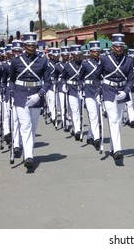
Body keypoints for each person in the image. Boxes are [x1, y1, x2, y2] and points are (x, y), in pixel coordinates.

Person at [9, 30, 51, 169]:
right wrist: (11, 92)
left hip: (36, 96)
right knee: (25, 126)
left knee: (32, 127)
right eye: (29, 45)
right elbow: (12, 80)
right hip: (20, 96)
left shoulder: (42, 60)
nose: (31, 47)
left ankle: (28, 152)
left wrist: (39, 94)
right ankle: (29, 156)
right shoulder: (16, 61)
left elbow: (48, 81)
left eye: (34, 45)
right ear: (24, 46)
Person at [96, 33, 134, 160]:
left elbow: (131, 79)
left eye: (121, 46)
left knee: (118, 121)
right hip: (108, 91)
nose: (119, 48)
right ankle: (118, 149)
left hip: (122, 91)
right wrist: (97, 91)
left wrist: (127, 91)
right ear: (113, 46)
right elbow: (97, 76)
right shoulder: (104, 58)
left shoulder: (128, 60)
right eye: (116, 46)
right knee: (112, 119)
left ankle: (113, 148)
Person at [80, 40, 101, 150]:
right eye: (94, 51)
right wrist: (80, 89)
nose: (96, 53)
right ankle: (97, 138)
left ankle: (90, 136)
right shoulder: (85, 63)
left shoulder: (103, 62)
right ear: (90, 52)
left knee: (96, 114)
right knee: (93, 114)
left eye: (98, 51)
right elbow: (80, 77)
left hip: (99, 90)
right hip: (88, 90)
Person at [61, 43, 84, 141]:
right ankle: (77, 129)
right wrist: (63, 85)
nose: (78, 56)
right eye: (76, 54)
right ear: (72, 55)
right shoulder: (67, 66)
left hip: (82, 89)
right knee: (74, 110)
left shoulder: (84, 64)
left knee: (80, 109)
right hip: (71, 88)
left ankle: (77, 127)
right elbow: (63, 78)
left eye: (79, 54)